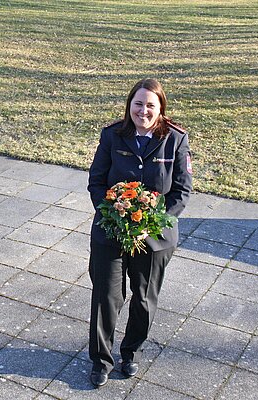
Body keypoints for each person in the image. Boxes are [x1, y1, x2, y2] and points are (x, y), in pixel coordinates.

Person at [86, 78, 192, 387]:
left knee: (144, 299)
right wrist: (115, 219)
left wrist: (150, 225)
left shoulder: (175, 139)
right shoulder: (112, 136)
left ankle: (130, 352)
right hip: (111, 232)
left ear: (161, 109)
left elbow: (182, 192)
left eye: (150, 105)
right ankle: (101, 360)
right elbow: (96, 181)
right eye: (137, 103)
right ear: (129, 104)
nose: (142, 111)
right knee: (106, 296)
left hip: (154, 238)